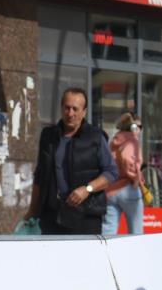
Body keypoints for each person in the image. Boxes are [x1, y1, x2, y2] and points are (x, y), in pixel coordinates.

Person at [23, 88, 118, 235]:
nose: (70, 113)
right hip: (52, 215)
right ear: (61, 108)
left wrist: (87, 189)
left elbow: (111, 172)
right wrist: (32, 211)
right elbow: (40, 176)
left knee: (84, 258)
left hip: (85, 217)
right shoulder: (48, 136)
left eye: (75, 109)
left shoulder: (96, 137)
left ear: (84, 111)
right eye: (67, 108)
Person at [103, 113, 145, 235]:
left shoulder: (114, 140)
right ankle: (135, 254)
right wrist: (134, 177)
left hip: (111, 190)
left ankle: (106, 253)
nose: (139, 130)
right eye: (139, 127)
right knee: (136, 233)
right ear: (133, 127)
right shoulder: (132, 140)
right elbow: (127, 159)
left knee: (108, 232)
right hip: (128, 188)